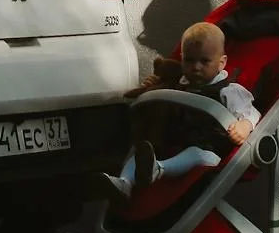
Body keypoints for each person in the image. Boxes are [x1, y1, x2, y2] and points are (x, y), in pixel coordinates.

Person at [101, 22, 258, 199]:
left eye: (204, 61)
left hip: (209, 152)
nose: (196, 67)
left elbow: (251, 112)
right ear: (182, 59)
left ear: (221, 63)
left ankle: (158, 169)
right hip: (172, 144)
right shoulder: (178, 83)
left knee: (196, 154)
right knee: (143, 149)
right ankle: (124, 183)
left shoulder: (229, 91)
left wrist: (245, 125)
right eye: (189, 60)